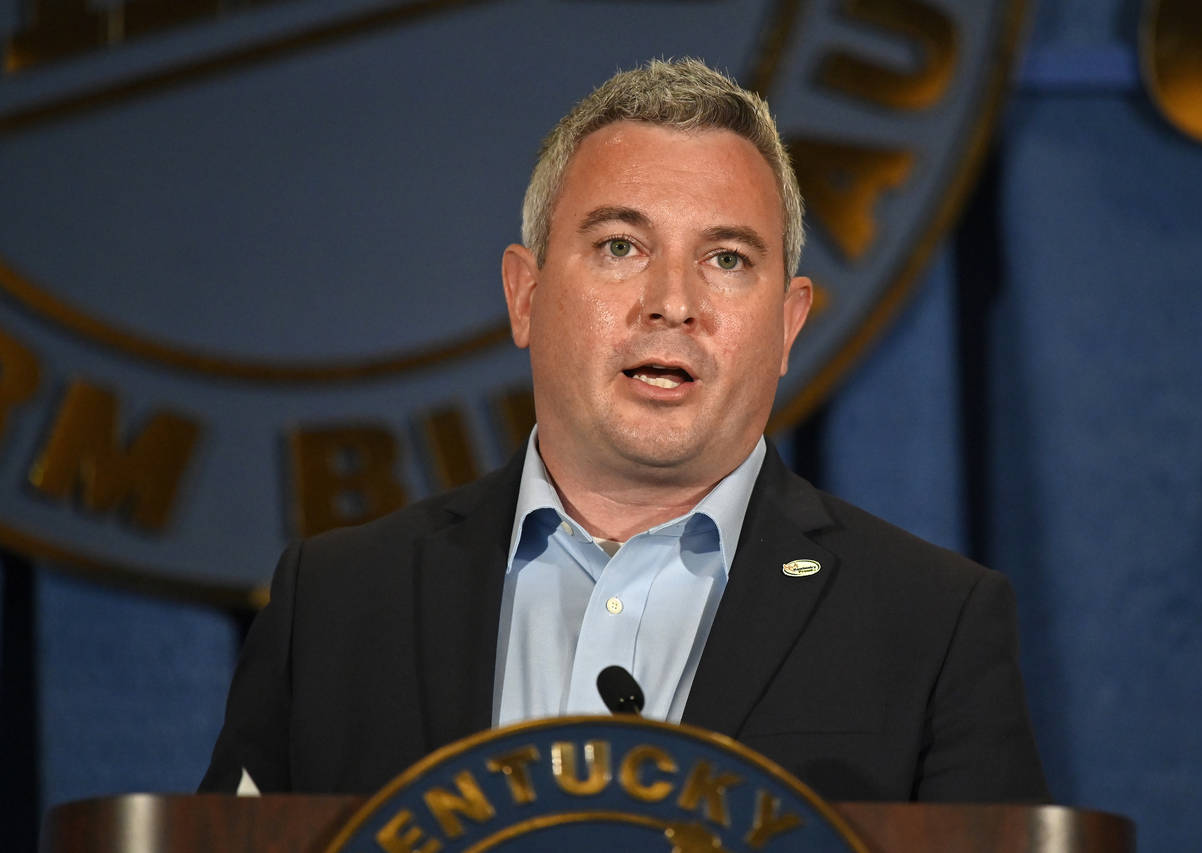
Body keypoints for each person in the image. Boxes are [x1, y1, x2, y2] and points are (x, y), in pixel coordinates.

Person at [201, 58, 1048, 803]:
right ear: (524, 295)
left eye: (727, 259)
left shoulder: (932, 624)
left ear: (789, 326)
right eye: (620, 247)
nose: (671, 302)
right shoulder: (339, 603)